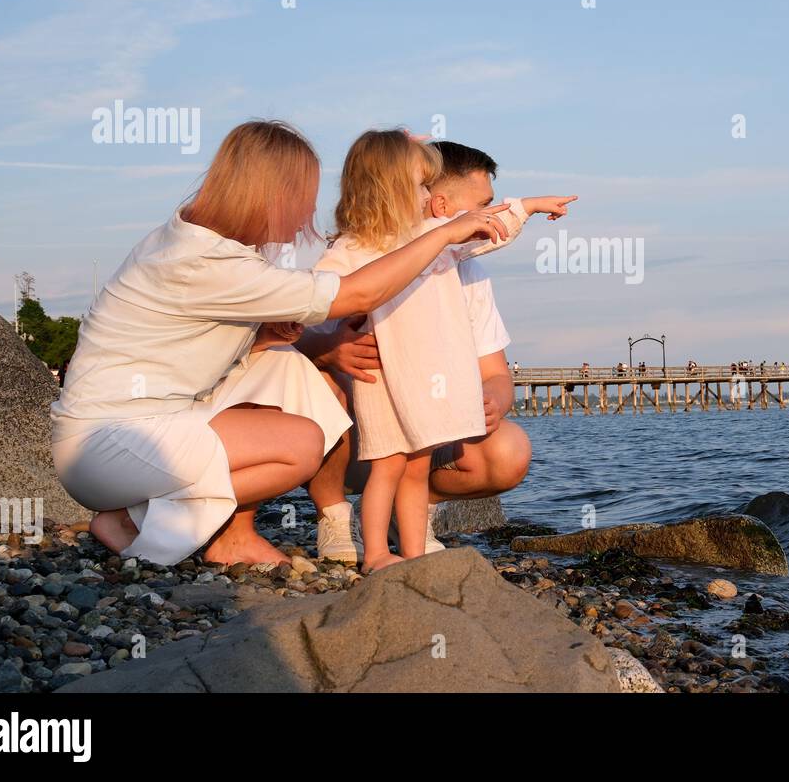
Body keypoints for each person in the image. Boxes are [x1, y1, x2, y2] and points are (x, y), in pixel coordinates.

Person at [50, 121, 504, 568]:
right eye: (303, 198)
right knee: (300, 446)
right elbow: (357, 294)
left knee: (285, 365)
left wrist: (271, 335)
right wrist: (443, 232)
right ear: (271, 194)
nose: (310, 214)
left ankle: (232, 536)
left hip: (139, 421)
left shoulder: (197, 239)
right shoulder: (210, 262)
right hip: (107, 445)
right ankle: (136, 517)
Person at [312, 129, 574, 571]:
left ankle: (413, 549)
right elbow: (313, 298)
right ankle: (369, 546)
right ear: (391, 190)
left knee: (413, 470)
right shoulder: (351, 249)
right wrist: (330, 341)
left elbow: (491, 230)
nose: (427, 195)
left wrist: (526, 207)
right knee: (387, 467)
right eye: (418, 186)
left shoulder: (438, 240)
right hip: (378, 385)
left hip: (423, 384)